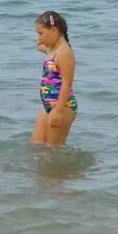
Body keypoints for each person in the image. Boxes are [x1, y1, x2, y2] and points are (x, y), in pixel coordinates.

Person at [34, 10, 77, 146]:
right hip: (48, 105)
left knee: (53, 149)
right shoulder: (51, 50)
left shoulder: (64, 53)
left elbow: (67, 84)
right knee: (37, 144)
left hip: (62, 105)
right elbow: (39, 45)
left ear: (53, 30)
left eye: (41, 33)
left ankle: (64, 167)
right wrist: (41, 39)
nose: (39, 37)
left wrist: (58, 110)